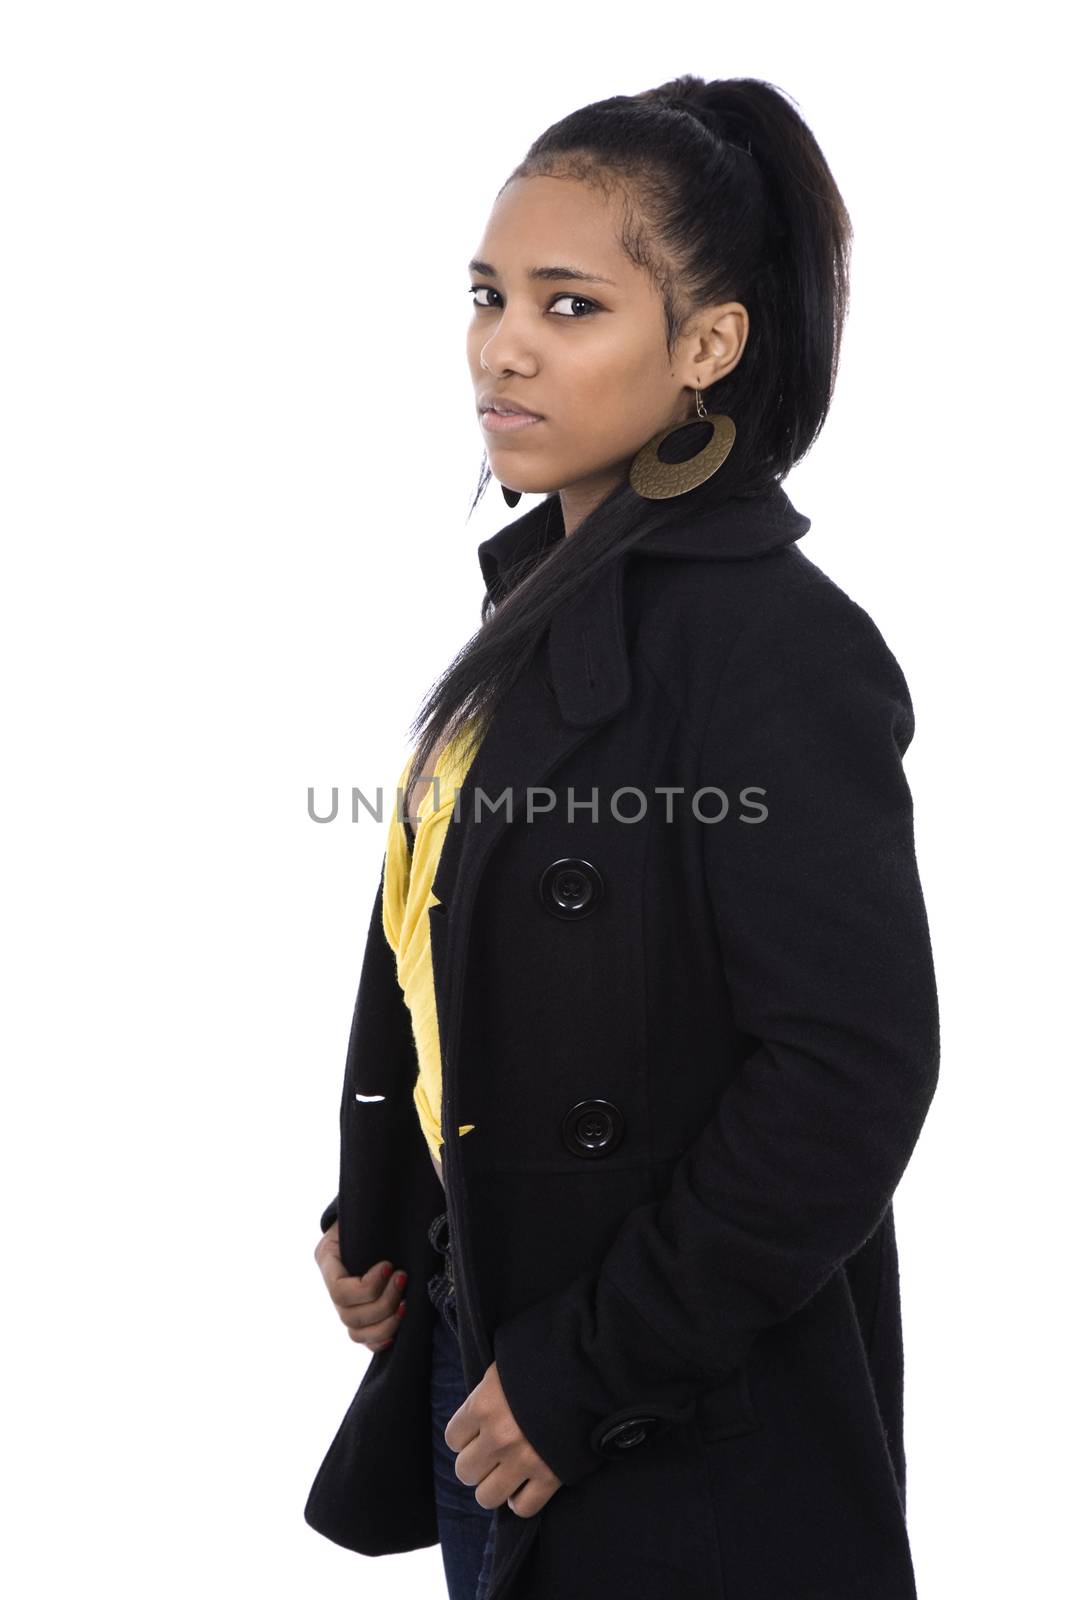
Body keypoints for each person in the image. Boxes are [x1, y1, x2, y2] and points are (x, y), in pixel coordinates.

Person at [310, 73, 940, 1600]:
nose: (501, 345)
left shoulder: (777, 648)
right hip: (490, 1347)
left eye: (571, 304)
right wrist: (387, 1205)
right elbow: (448, 948)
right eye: (489, 294)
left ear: (708, 344)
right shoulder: (544, 612)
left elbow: (847, 1078)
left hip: (670, 1423)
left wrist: (586, 1372)